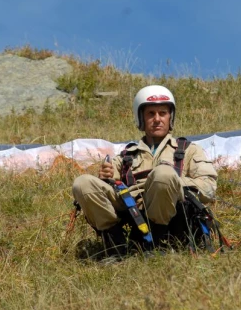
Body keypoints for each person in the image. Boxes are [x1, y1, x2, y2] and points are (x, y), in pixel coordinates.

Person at [72, 84, 218, 257]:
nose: (157, 119)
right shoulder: (125, 157)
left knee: (163, 174)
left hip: (173, 214)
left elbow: (209, 187)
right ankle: (115, 245)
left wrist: (171, 183)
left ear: (170, 117)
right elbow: (107, 191)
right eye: (151, 114)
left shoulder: (189, 150)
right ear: (140, 118)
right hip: (131, 208)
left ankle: (157, 243)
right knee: (82, 183)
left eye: (163, 113)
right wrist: (104, 178)